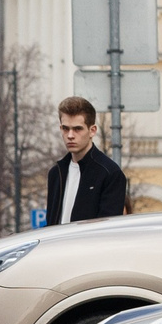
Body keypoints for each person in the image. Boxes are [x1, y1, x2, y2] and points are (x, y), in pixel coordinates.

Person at [45, 97, 127, 227]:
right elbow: (51, 224)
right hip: (58, 246)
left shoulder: (110, 174)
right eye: (65, 128)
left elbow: (108, 230)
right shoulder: (56, 173)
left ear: (92, 130)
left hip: (90, 246)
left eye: (77, 129)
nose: (70, 135)